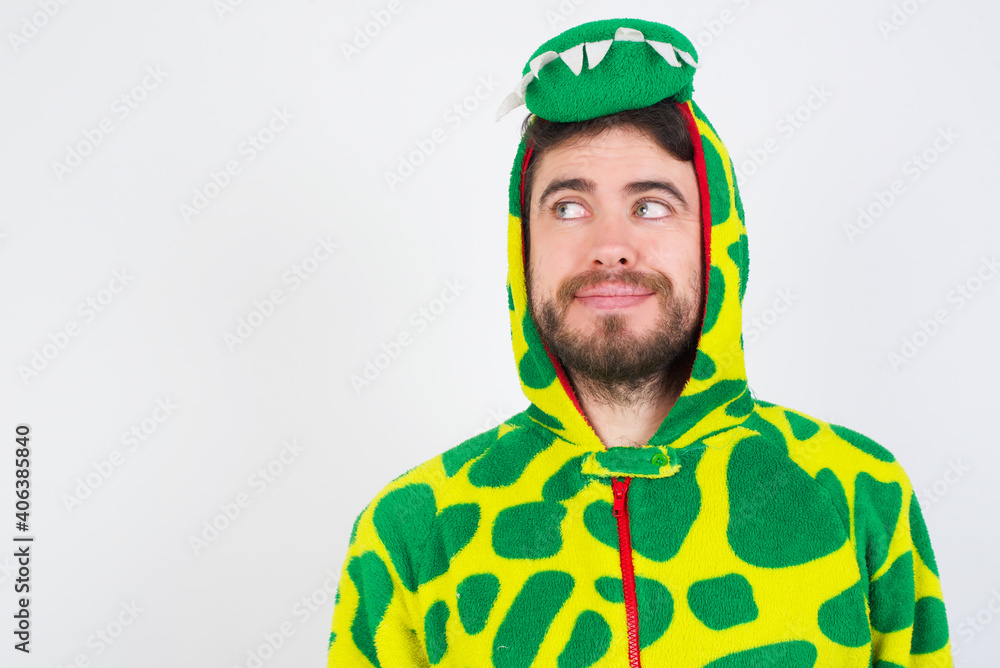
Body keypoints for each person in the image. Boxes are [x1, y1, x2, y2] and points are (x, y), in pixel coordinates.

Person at [325, 17, 954, 667]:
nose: (610, 249)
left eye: (651, 205)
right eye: (569, 207)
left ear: (715, 236)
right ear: (524, 247)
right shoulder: (412, 529)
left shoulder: (860, 496)